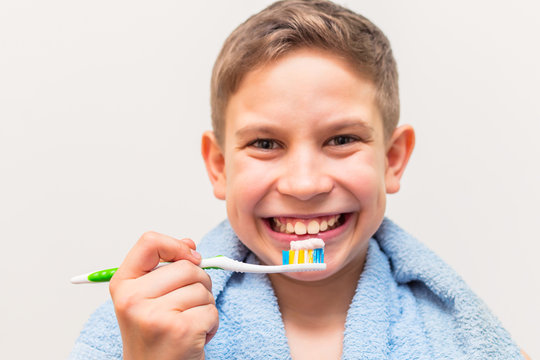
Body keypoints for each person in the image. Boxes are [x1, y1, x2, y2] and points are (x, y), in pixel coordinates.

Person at [69, 1, 528, 359]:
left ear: (392, 159)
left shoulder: (468, 344)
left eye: (342, 138)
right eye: (266, 144)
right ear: (220, 167)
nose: (304, 184)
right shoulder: (138, 337)